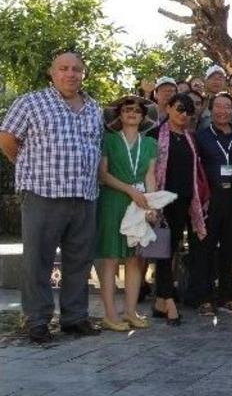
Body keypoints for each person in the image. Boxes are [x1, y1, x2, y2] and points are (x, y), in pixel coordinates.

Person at [0, 50, 104, 343]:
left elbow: (95, 148)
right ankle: (36, 321)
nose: (70, 74)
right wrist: (26, 166)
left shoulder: (93, 108)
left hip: (84, 196)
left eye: (76, 69)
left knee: (79, 261)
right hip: (43, 194)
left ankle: (74, 317)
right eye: (63, 68)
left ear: (83, 74)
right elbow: (7, 138)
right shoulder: (31, 103)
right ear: (52, 72)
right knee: (38, 262)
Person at [95, 96, 157, 331]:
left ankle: (130, 311)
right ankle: (110, 314)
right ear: (119, 115)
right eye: (127, 110)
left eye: (137, 110)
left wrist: (151, 204)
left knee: (135, 258)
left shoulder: (149, 143)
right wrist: (128, 189)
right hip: (113, 201)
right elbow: (103, 174)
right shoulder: (108, 140)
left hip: (139, 204)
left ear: (143, 117)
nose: (132, 113)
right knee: (110, 258)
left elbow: (150, 175)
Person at [153, 93, 209, 326]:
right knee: (162, 250)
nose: (183, 113)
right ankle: (169, 300)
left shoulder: (190, 138)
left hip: (186, 200)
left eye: (187, 110)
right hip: (160, 201)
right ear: (167, 108)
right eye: (178, 108)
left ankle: (159, 301)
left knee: (173, 248)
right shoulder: (155, 135)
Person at [191, 92, 232, 316]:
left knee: (230, 249)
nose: (223, 111)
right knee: (205, 248)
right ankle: (203, 297)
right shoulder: (200, 137)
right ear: (210, 110)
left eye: (227, 107)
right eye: (218, 107)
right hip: (209, 201)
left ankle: (227, 295)